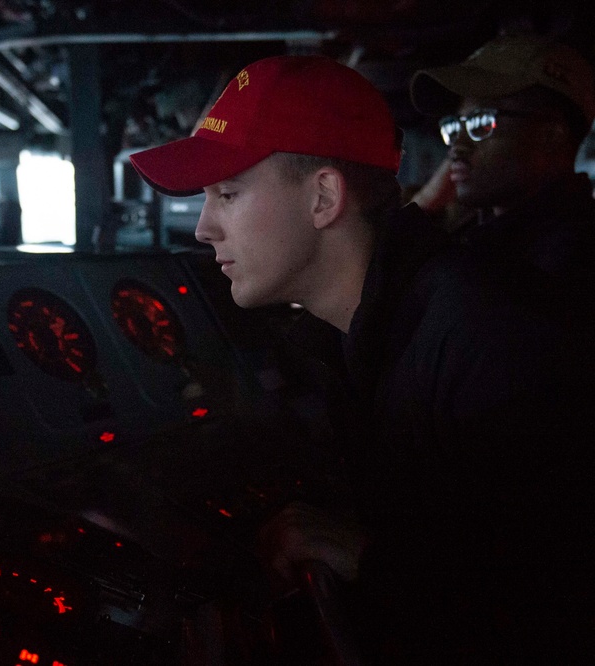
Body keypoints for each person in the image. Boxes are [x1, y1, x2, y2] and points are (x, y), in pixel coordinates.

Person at [130, 54, 595, 663]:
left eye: (228, 192)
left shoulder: (496, 343)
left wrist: (371, 558)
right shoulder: (357, 333)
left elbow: (558, 601)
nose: (204, 227)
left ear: (324, 197)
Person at [409, 33, 595, 285]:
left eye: (482, 122)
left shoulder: (567, 265)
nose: (457, 146)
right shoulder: (478, 227)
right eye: (454, 126)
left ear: (550, 135)